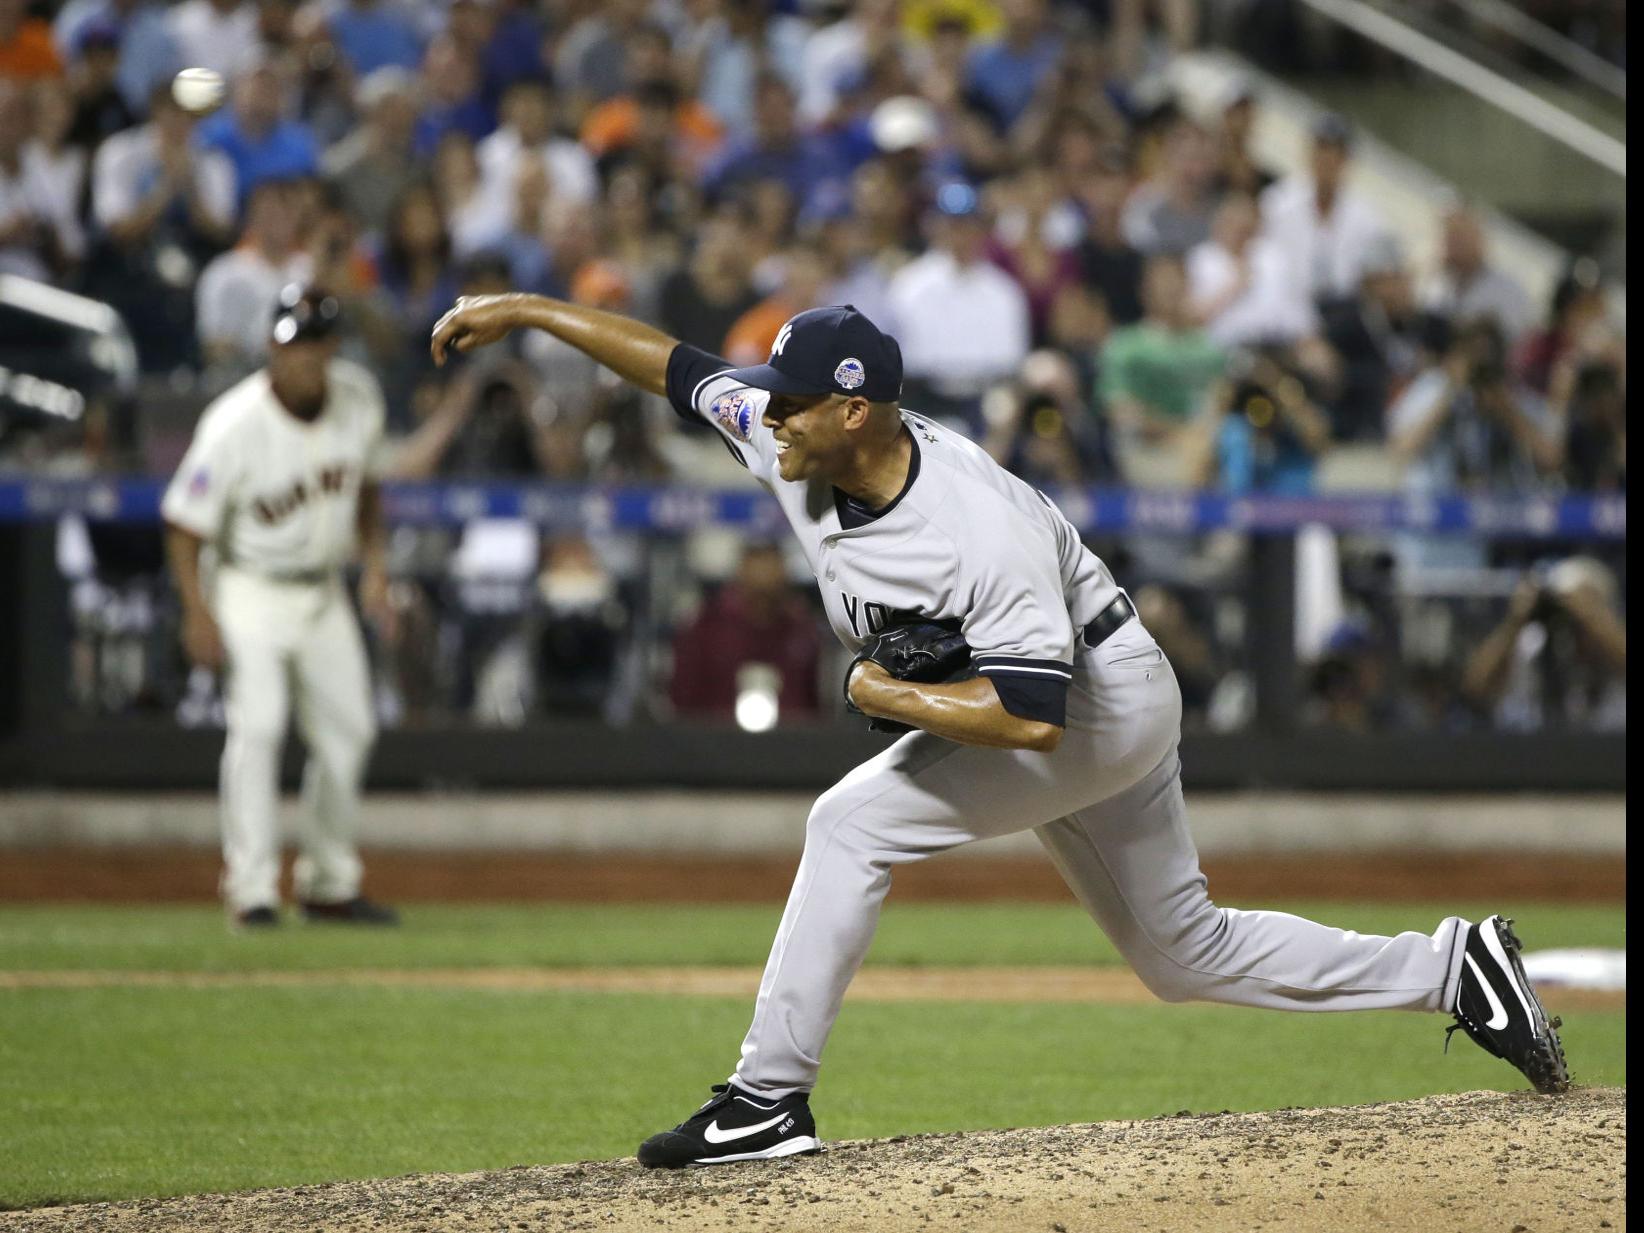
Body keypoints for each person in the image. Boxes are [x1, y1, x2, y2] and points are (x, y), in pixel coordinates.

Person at [430, 288, 1570, 1167]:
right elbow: (675, 369)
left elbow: (1029, 721)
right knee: (1184, 955)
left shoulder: (971, 525)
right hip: (1073, 699)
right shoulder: (794, 440)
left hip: (1098, 702)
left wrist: (893, 701)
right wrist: (527, 312)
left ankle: (765, 1101)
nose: (763, 411)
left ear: (854, 408)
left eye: (788, 398)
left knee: (850, 822)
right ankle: (1455, 969)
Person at [163, 285, 399, 928]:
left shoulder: (358, 400)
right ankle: (253, 889)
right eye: (296, 344)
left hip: (324, 589)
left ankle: (328, 882)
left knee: (351, 731)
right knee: (259, 727)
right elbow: (184, 527)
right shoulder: (233, 423)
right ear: (271, 346)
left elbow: (369, 492)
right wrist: (197, 612)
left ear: (335, 347)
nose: (308, 358)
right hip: (250, 585)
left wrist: (375, 568)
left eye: (319, 344)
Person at [670, 541, 822, 722]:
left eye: (771, 568)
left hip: (790, 740)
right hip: (714, 739)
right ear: (740, 573)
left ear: (784, 575)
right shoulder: (707, 627)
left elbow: (813, 700)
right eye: (756, 568)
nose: (763, 577)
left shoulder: (801, 629)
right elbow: (683, 698)